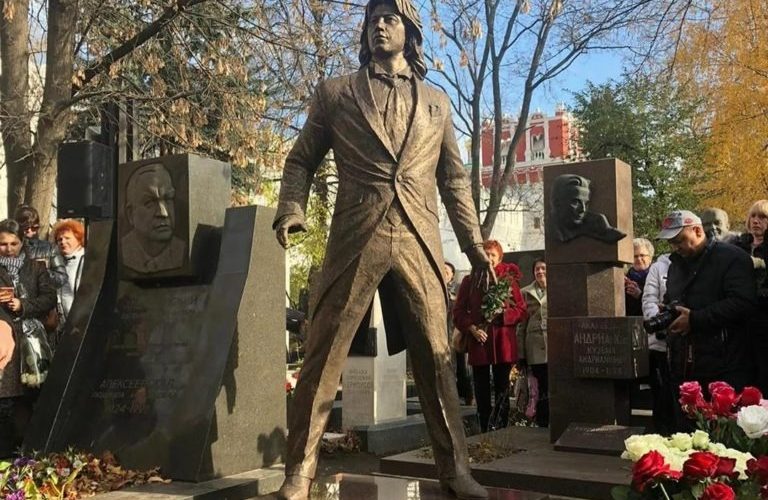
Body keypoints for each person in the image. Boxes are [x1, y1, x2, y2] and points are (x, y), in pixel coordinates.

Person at [272, 0, 493, 496]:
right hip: (356, 234)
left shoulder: (437, 101)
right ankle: (299, 473)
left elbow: (454, 180)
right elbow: (300, 160)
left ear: (409, 31)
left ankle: (456, 470)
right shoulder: (335, 93)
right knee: (323, 355)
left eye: (390, 18)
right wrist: (291, 209)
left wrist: (473, 245)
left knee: (436, 357)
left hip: (418, 238)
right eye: (373, 19)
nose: (379, 25)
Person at [657, 210, 756, 429]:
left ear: (698, 230)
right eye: (671, 242)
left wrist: (695, 319)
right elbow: (673, 298)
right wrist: (668, 309)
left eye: (679, 240)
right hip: (685, 368)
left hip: (725, 368)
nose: (675, 247)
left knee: (722, 437)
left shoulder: (731, 258)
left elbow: (743, 302)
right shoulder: (676, 265)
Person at [454, 240, 526, 433]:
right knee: (481, 388)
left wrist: (504, 314)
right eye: (486, 254)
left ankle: (501, 428)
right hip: (479, 341)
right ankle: (485, 429)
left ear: (500, 258)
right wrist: (471, 328)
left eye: (493, 255)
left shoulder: (508, 280)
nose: (489, 258)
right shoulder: (470, 281)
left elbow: (521, 310)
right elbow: (458, 312)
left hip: (503, 342)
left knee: (502, 387)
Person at [0, 219, 56, 455]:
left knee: (31, 396)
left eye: (14, 243)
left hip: (32, 341)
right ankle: (6, 451)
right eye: (3, 244)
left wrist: (23, 305)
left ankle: (30, 451)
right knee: (5, 398)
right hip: (4, 339)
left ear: (22, 242)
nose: (8, 249)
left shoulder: (36, 268)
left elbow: (49, 298)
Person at [121, 163, 186, 274]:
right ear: (130, 214)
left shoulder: (183, 251)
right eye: (149, 202)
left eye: (168, 199)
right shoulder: (121, 252)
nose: (163, 213)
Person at [733, 200, 768, 394]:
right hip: (738, 321)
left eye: (762, 217)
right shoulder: (737, 246)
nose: (756, 221)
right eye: (753, 216)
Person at [641, 252, 673, 435]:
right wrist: (660, 322)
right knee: (661, 394)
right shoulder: (659, 267)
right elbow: (649, 299)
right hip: (660, 344)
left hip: (690, 344)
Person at [516, 258, 548, 427]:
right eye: (537, 269)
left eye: (543, 268)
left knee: (553, 385)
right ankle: (542, 421)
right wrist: (521, 353)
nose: (540, 272)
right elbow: (521, 325)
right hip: (534, 347)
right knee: (539, 386)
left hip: (554, 344)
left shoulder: (559, 288)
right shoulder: (525, 293)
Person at [549, 174, 626, 243]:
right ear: (557, 203)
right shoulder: (554, 230)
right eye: (576, 202)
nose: (583, 209)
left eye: (586, 203)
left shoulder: (593, 222)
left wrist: (605, 230)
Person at [13, 205, 66, 288]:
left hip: (40, 294)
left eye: (34, 228)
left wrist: (42, 271)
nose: (29, 231)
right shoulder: (7, 248)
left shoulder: (49, 248)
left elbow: (62, 278)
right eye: (25, 228)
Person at [446, 262, 474, 406]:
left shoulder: (458, 288)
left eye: (446, 271)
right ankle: (449, 397)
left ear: (452, 274)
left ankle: (468, 395)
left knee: (463, 366)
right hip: (443, 333)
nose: (444, 273)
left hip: (457, 332)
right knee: (447, 366)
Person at [52, 219, 86, 325]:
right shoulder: (57, 261)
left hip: (81, 321)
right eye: (59, 239)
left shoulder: (87, 261)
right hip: (62, 323)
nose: (63, 242)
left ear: (79, 238)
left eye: (67, 238)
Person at [625, 238, 654, 316]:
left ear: (650, 258)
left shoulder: (657, 278)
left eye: (642, 255)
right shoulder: (625, 279)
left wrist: (640, 295)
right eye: (635, 256)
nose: (638, 259)